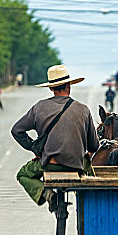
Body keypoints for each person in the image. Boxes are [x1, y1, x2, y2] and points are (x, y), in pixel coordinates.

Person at [11, 64, 99, 212]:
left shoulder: (39, 107)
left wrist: (35, 149)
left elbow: (16, 130)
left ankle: (46, 193)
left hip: (49, 164)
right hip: (76, 166)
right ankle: (92, 206)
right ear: (69, 86)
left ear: (51, 88)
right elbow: (94, 147)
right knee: (90, 171)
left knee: (23, 174)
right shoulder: (83, 109)